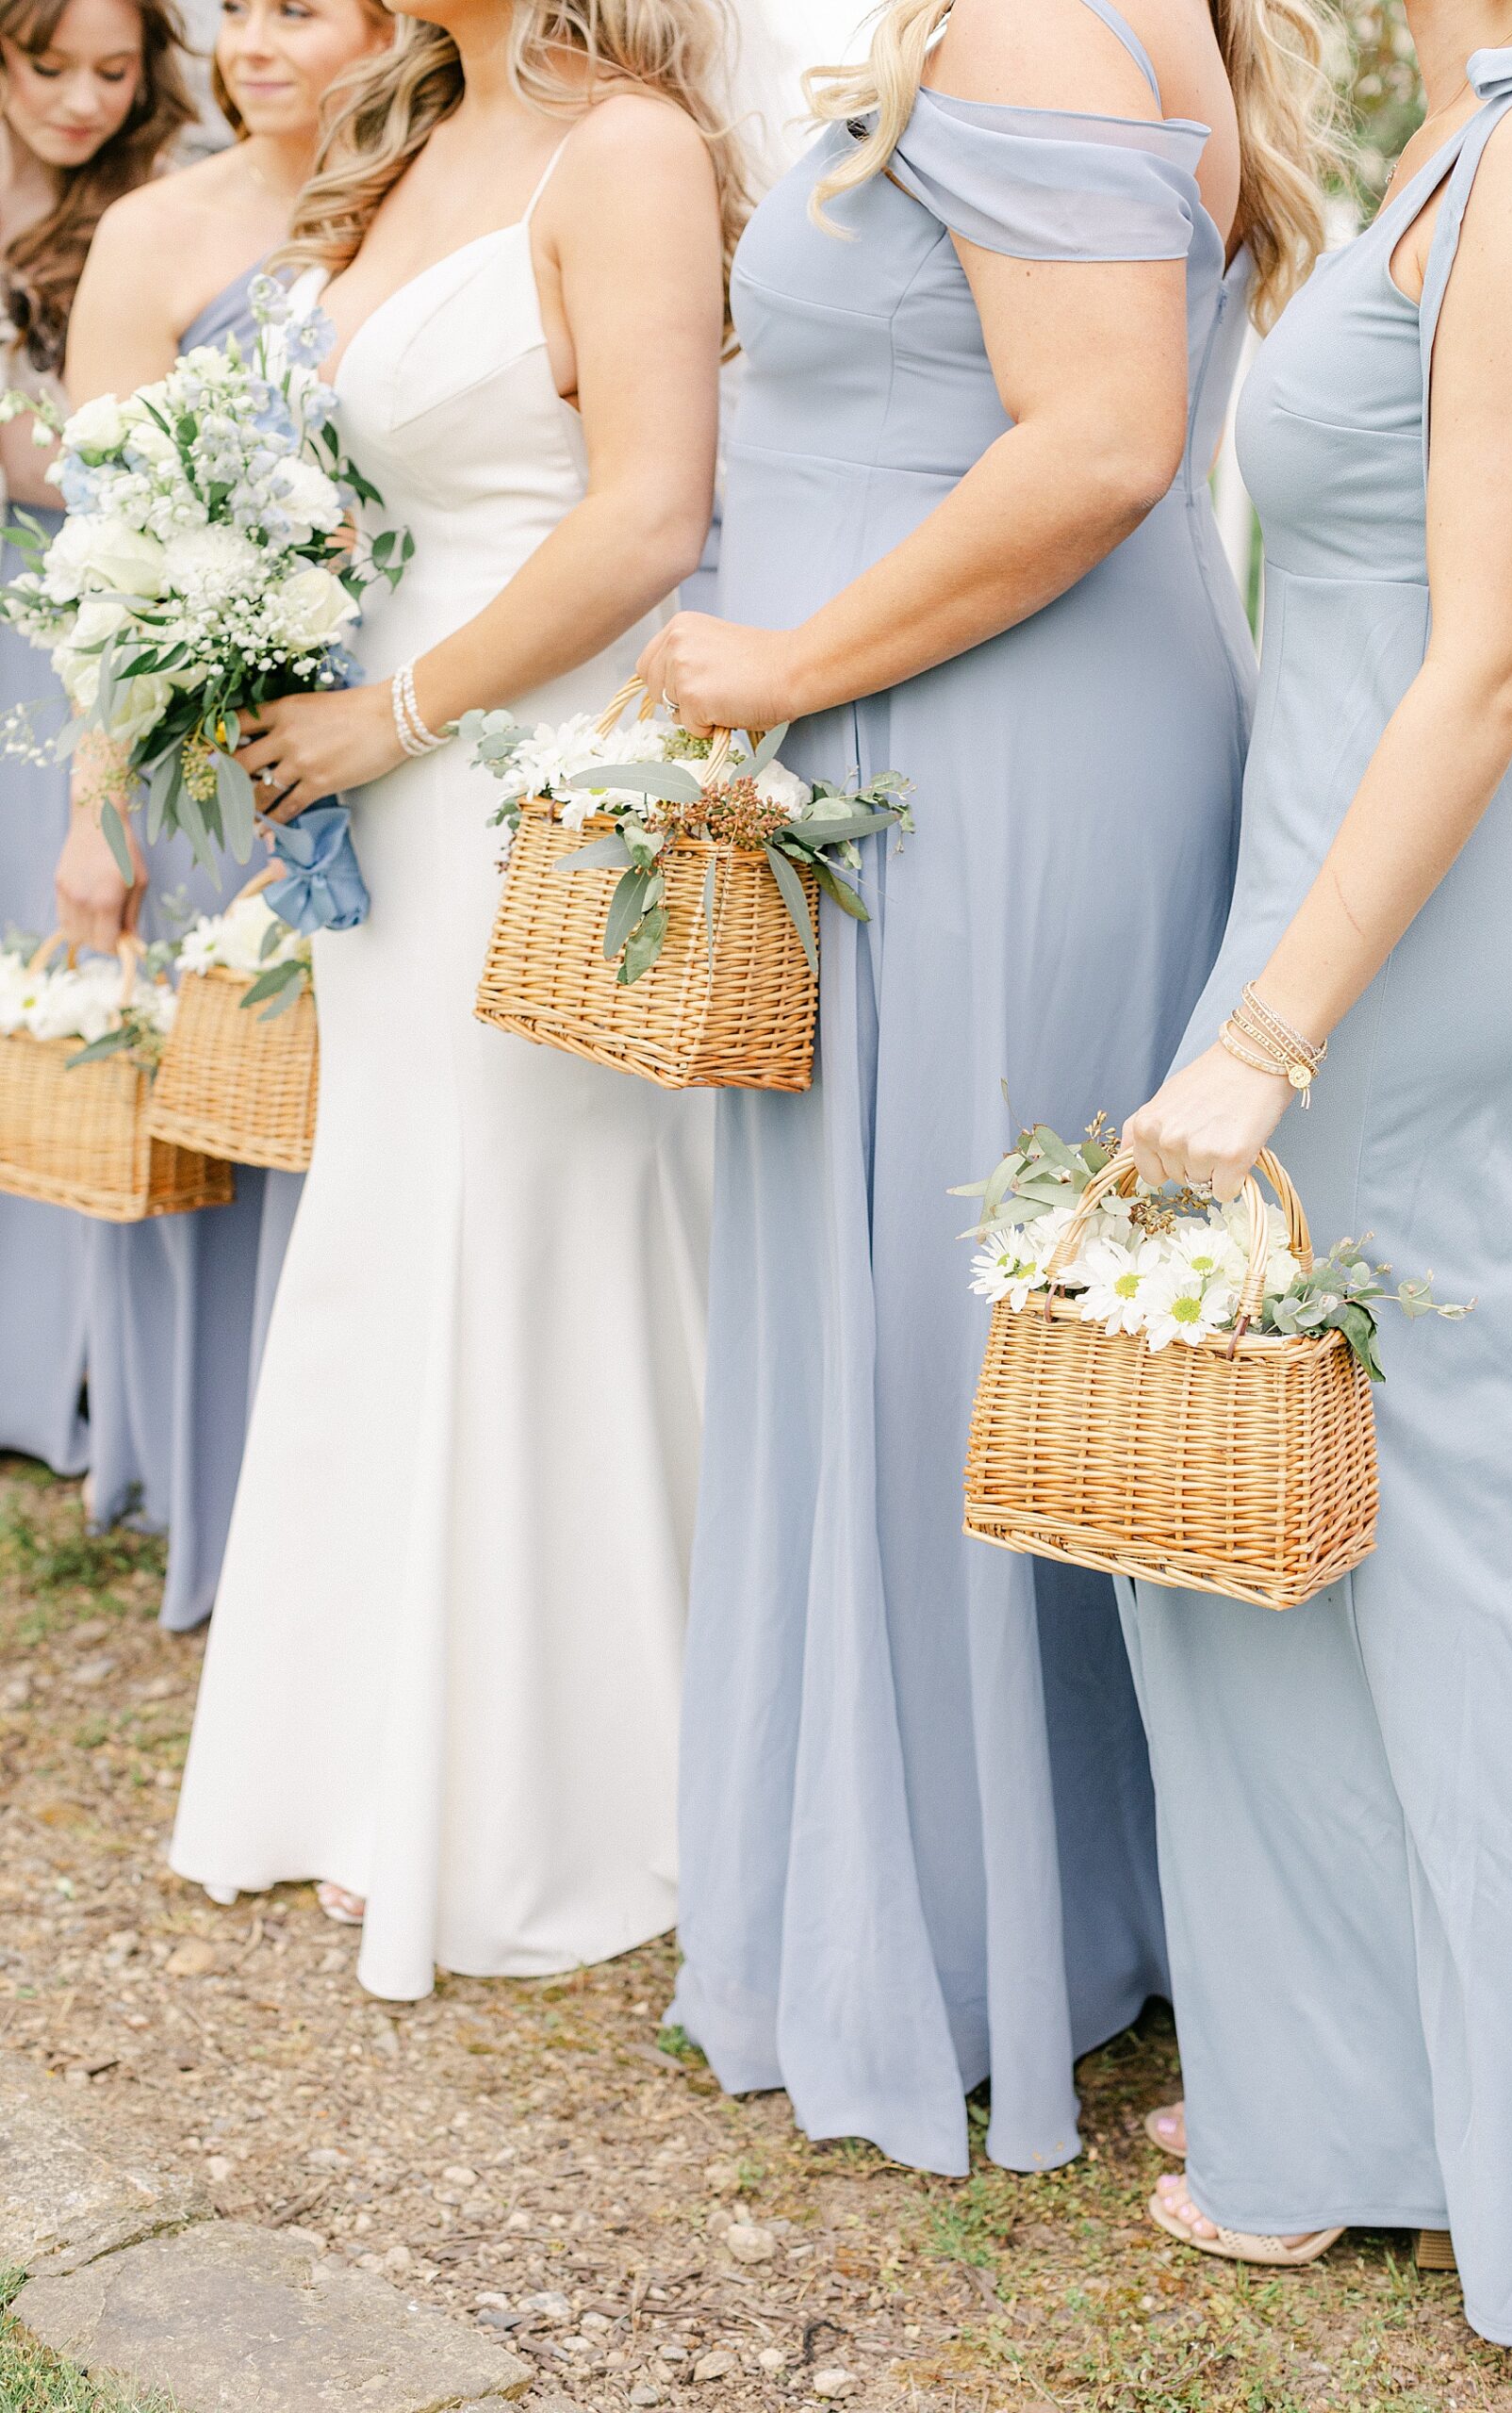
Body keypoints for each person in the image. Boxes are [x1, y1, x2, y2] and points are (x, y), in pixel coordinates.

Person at [633, 0, 1338, 2176]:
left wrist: (775, 659)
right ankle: (1049, 1907)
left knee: (939, 1349)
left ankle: (953, 1934)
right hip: (1005, 722)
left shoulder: (1037, 18)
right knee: (971, 1347)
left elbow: (1104, 438)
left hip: (976, 742)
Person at [1117, 0, 1512, 2350]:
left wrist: (1265, 1038)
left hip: (1390, 942)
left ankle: (1491, 2142)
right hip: (1330, 893)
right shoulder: (1446, 137)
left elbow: (1494, 655)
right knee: (1299, 1536)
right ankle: (1356, 2091)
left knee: (1444, 1540)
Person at [169, 0, 741, 2003]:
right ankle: (372, 1759)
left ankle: (575, 1789)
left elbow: (650, 513)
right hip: (372, 792)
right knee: (397, 1216)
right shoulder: (411, 126)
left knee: (537, 1232)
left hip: (518, 774)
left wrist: (397, 712)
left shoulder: (633, 148)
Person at [51, 0, 390, 1633]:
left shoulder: (422, 194)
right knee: (222, 1118)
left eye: (299, 7)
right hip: (202, 753)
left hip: (386, 726)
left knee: (352, 1130)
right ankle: (220, 1497)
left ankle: (355, 1508)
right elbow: (100, 560)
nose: (253, 40)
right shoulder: (155, 229)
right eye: (233, 8)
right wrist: (96, 817)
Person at [0, 0, 192, 1475]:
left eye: (110, 72)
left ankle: (72, 1365)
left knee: (62, 962)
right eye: (46, 64)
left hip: (60, 613)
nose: (78, 99)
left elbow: (123, 460)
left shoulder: (145, 210)